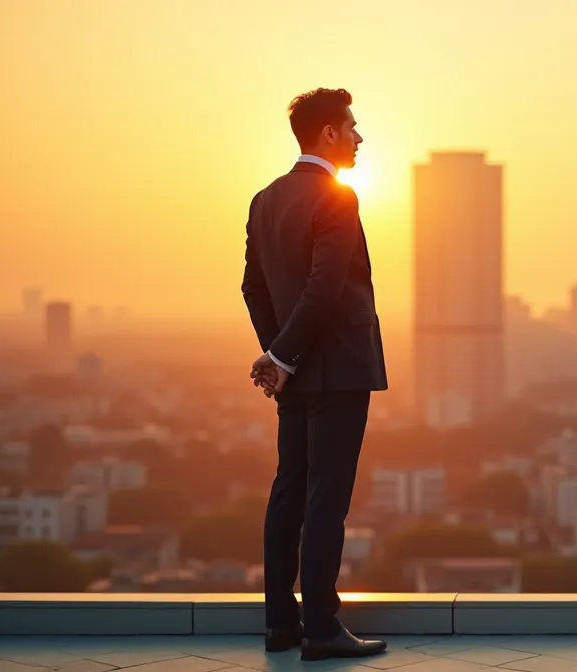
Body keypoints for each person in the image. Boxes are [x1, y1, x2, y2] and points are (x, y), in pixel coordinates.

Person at [242, 88, 388, 662]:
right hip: (337, 372)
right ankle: (323, 628)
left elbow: (254, 288)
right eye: (351, 126)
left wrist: (280, 356)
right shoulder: (337, 197)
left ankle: (282, 623)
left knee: (288, 494)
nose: (358, 136)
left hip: (298, 374)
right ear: (327, 133)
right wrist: (283, 358)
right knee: (327, 499)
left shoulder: (265, 199)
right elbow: (326, 288)